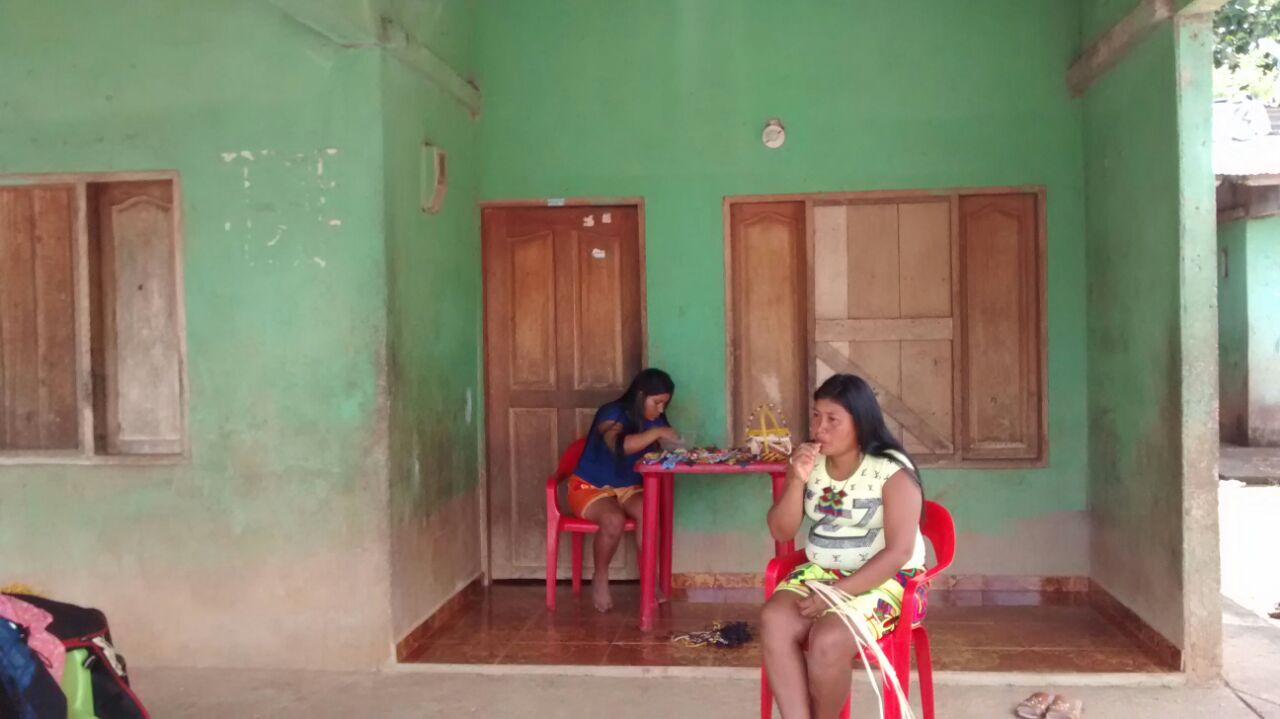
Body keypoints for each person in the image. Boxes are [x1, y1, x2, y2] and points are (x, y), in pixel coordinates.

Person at [761, 373, 927, 719]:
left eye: (833, 419)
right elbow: (781, 530)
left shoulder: (891, 470)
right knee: (774, 619)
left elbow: (899, 552)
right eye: (816, 416)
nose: (820, 428)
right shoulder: (811, 464)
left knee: (828, 639)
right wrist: (796, 480)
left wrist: (836, 594)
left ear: (860, 423)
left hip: (889, 581)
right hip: (822, 572)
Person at [568, 368, 679, 612]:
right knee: (613, 519)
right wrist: (656, 432)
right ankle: (600, 576)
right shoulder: (611, 413)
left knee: (650, 512)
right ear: (641, 396)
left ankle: (650, 581)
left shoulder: (656, 420)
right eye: (657, 403)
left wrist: (674, 444)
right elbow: (618, 446)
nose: (661, 410)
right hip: (590, 486)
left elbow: (666, 448)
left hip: (628, 487)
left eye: (665, 404)